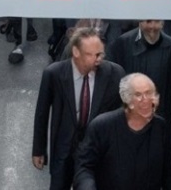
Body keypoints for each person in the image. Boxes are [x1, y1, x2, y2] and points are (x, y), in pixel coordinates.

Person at [32, 27, 124, 190]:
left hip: (97, 153)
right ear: (76, 52)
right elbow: (42, 114)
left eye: (100, 54)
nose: (98, 59)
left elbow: (121, 116)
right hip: (64, 150)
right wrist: (39, 150)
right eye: (91, 55)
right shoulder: (54, 73)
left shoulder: (115, 73)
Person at [73, 72, 171, 190]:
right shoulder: (102, 126)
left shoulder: (160, 127)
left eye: (149, 93)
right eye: (138, 95)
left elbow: (170, 174)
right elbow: (84, 167)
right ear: (126, 98)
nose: (145, 100)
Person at [109, 21, 171, 141]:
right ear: (140, 21)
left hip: (161, 121)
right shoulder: (122, 43)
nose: (152, 27)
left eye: (156, 22)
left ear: (162, 22)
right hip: (129, 121)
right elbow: (114, 86)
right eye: (148, 22)